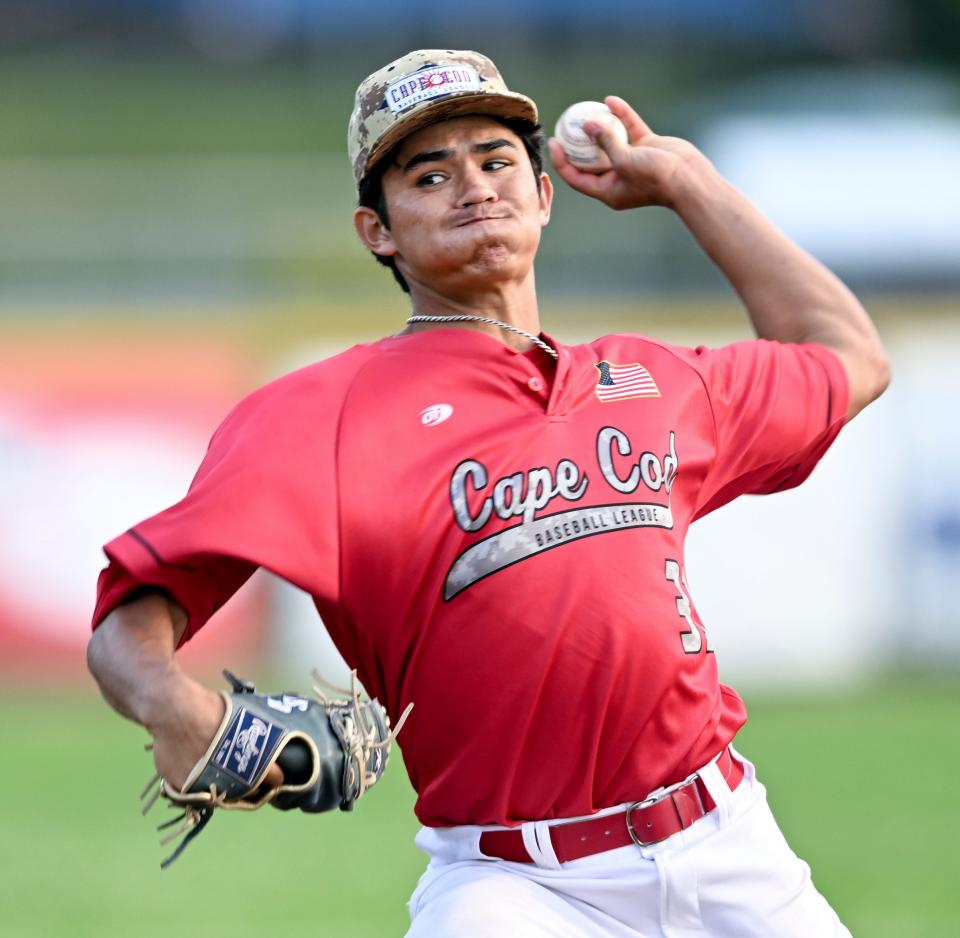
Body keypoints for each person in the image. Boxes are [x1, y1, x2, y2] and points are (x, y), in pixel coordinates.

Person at [87, 49, 889, 937]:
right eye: (429, 174)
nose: (473, 187)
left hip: (732, 846)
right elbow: (129, 621)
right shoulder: (325, 414)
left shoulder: (650, 381)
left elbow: (849, 357)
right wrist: (173, 705)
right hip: (516, 890)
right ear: (377, 231)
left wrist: (689, 181)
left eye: (497, 161)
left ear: (545, 195)